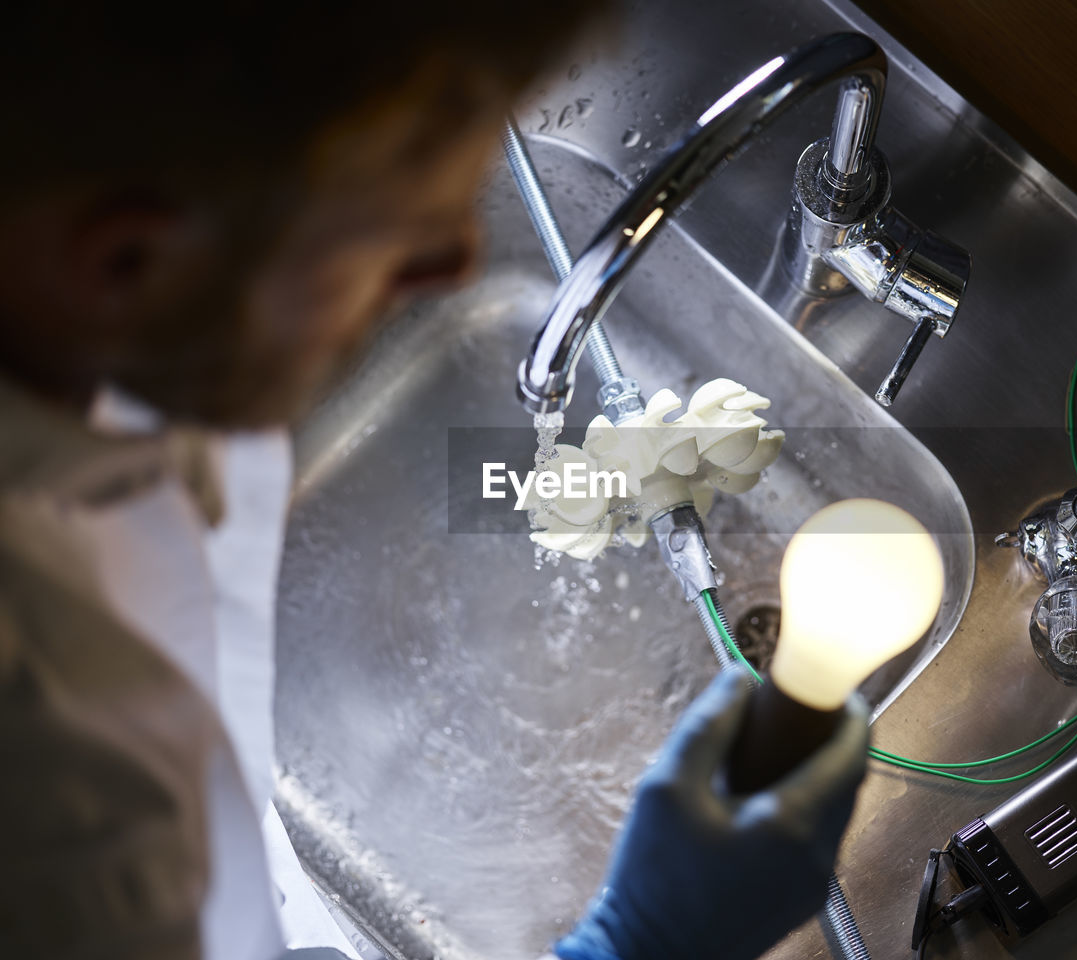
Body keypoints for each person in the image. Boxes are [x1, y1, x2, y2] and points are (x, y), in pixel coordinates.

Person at [0, 6, 870, 960]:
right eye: (401, 234)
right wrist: (640, 946)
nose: (459, 260)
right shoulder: (68, 813)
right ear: (129, 262)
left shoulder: (124, 334)